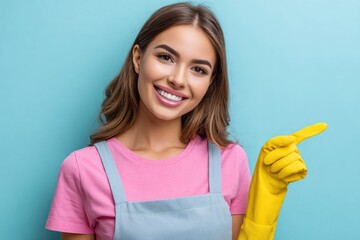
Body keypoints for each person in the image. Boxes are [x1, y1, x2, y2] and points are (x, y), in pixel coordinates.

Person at [46, 2, 327, 240]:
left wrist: (268, 197)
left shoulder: (230, 161)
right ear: (137, 58)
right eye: (166, 57)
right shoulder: (84, 170)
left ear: (209, 83)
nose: (178, 79)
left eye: (198, 69)